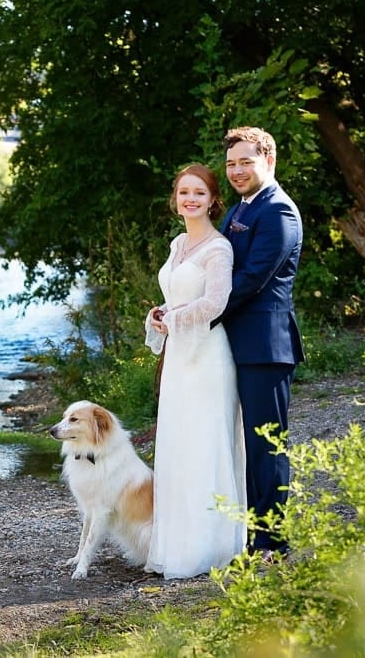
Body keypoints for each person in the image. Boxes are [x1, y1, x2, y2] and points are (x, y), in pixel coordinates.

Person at [143, 163, 247, 579]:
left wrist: (178, 318)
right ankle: (176, 544)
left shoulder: (219, 249)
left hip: (207, 358)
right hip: (178, 360)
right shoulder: (178, 243)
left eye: (199, 193)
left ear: (212, 200)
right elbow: (177, 296)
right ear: (176, 198)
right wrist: (159, 314)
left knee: (205, 443)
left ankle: (212, 545)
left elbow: (216, 303)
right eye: (184, 192)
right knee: (178, 443)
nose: (191, 199)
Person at [218, 126, 304, 560]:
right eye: (231, 163)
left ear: (268, 161)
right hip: (233, 344)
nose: (237, 170)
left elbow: (251, 279)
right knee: (238, 442)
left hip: (265, 348)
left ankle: (272, 540)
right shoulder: (240, 207)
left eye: (245, 162)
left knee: (265, 444)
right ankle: (247, 533)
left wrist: (200, 313)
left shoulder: (278, 212)